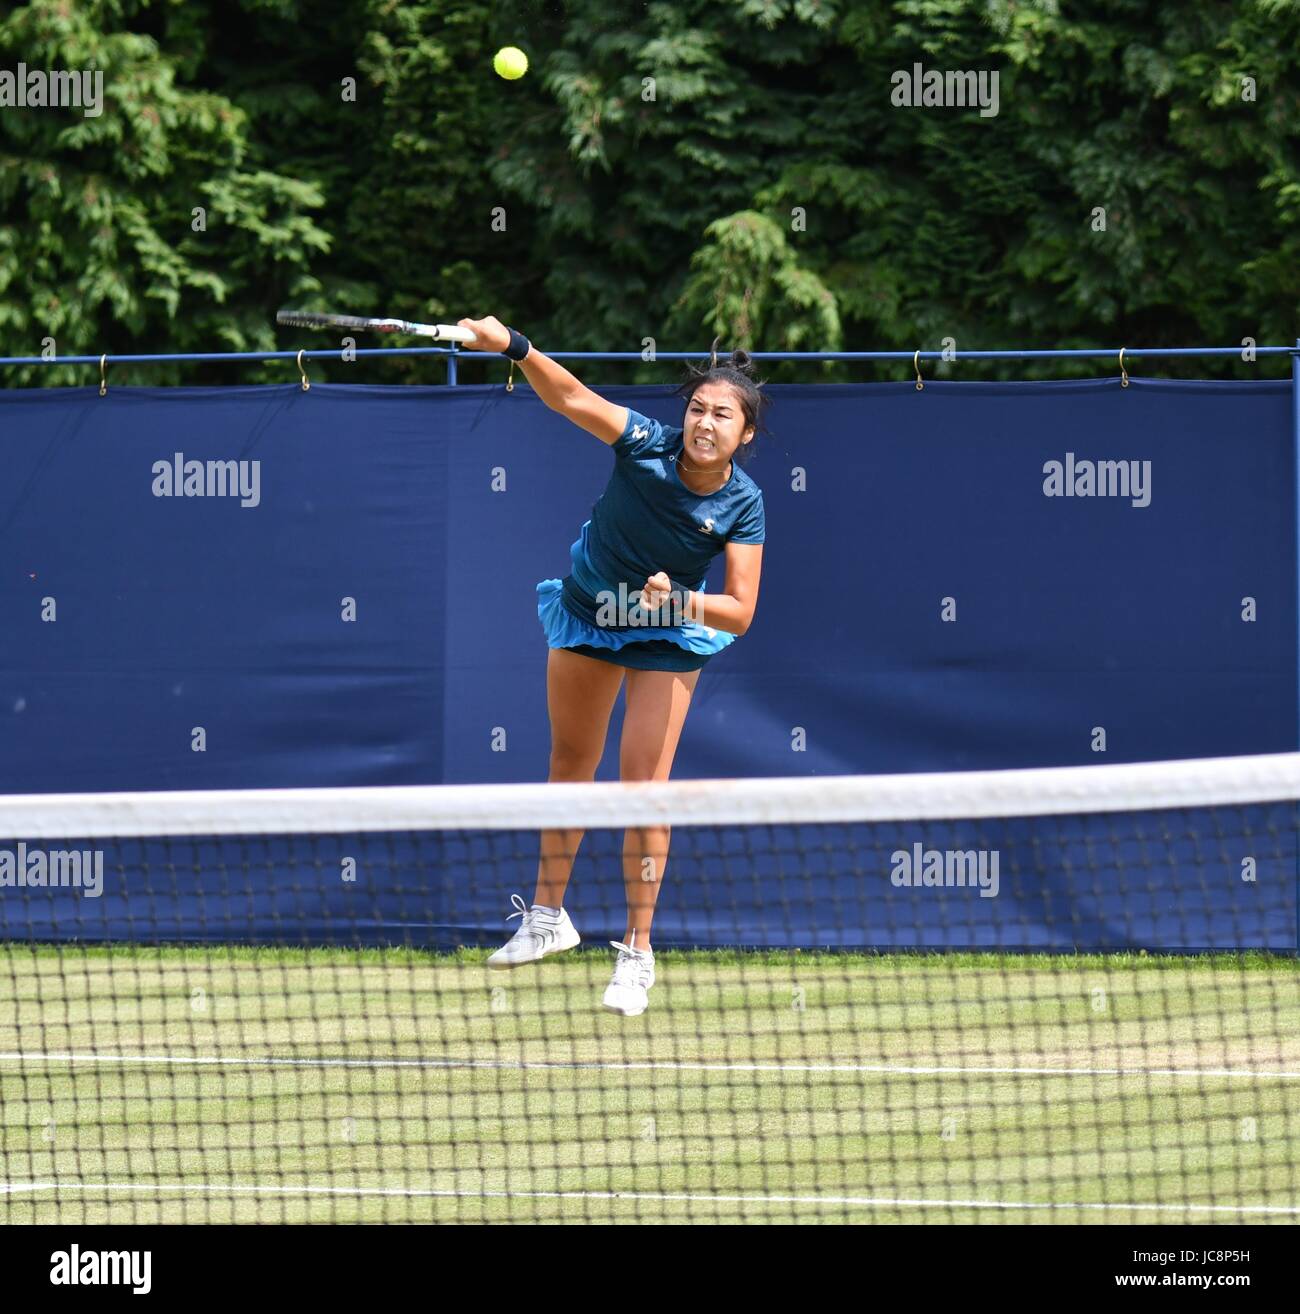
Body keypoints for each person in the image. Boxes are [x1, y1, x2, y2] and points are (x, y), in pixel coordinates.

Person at [458, 316, 768, 1016]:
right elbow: (570, 397)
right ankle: (547, 921)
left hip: (664, 630)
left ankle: (637, 953)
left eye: (722, 414)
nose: (704, 422)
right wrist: (514, 346)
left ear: (744, 434)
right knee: (570, 766)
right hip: (590, 615)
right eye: (696, 408)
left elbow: (741, 611)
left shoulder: (743, 503)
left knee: (642, 790)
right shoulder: (641, 444)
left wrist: (683, 600)